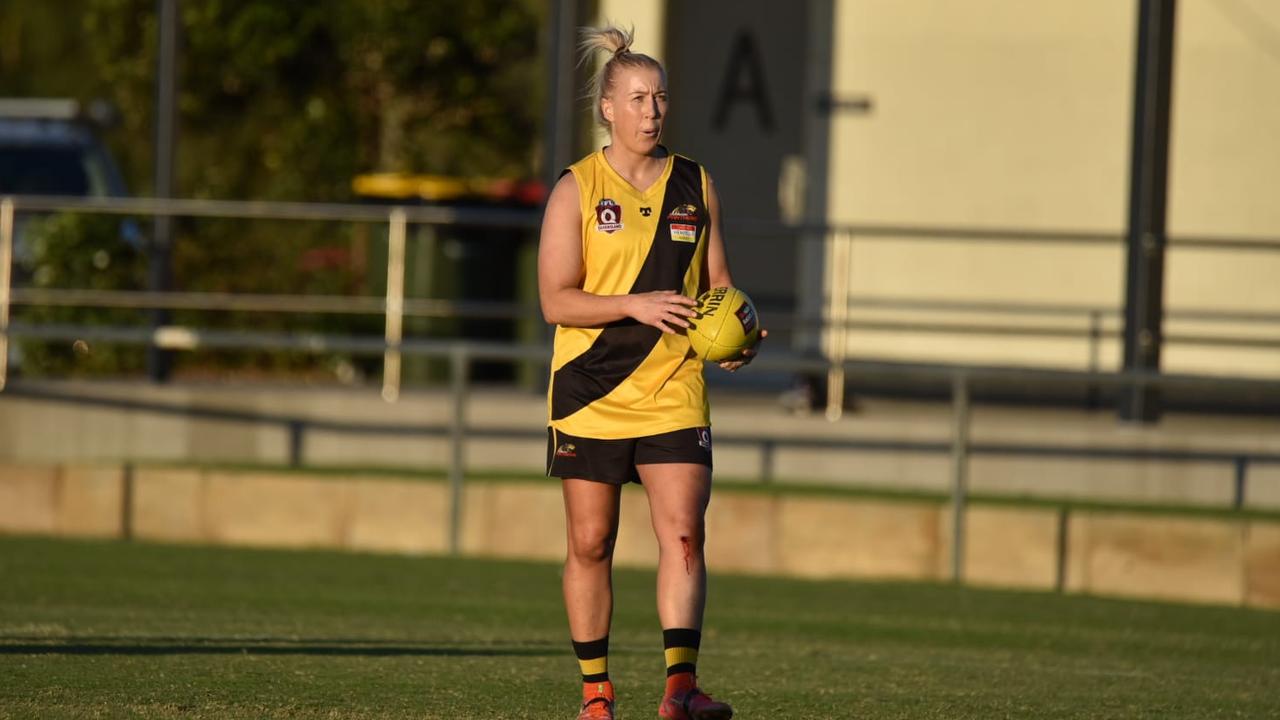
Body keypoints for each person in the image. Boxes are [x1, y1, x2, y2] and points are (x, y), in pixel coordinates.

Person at [538, 24, 764, 720]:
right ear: (607, 108)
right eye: (636, 98)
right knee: (591, 541)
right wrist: (633, 302)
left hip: (674, 389)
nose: (651, 111)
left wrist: (738, 337)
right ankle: (597, 693)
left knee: (685, 533)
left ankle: (680, 690)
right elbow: (555, 300)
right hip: (591, 390)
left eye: (659, 98)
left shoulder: (695, 183)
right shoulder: (577, 188)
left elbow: (720, 284)